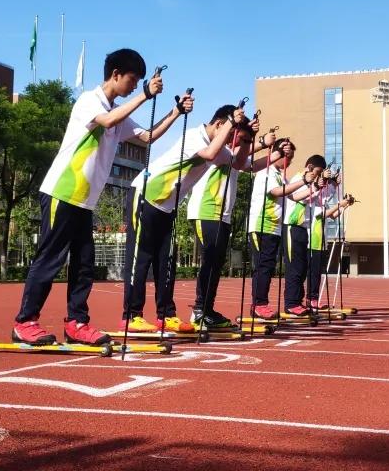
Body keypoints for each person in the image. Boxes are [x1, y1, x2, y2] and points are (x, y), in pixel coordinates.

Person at [12, 49, 185, 346]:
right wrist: (144, 95)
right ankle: (25, 322)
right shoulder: (90, 100)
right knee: (50, 260)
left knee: (84, 265)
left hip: (84, 202)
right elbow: (106, 121)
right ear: (115, 74)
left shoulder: (119, 113)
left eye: (138, 82)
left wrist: (175, 112)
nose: (133, 85)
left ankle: (77, 322)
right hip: (61, 193)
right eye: (132, 80)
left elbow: (148, 137)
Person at [121, 103, 247, 333]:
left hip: (168, 206)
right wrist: (231, 122)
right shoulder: (194, 137)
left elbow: (238, 163)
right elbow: (209, 154)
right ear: (219, 124)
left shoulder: (218, 146)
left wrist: (249, 138)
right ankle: (132, 315)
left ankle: (166, 314)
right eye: (228, 134)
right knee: (140, 258)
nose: (230, 142)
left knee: (166, 260)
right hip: (146, 194)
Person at [186, 117, 277, 328]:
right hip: (205, 211)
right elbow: (236, 157)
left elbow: (250, 166)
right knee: (210, 261)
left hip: (223, 215)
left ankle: (207, 309)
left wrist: (275, 152)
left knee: (216, 263)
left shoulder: (233, 154)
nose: (240, 141)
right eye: (240, 137)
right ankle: (200, 310)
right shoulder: (216, 148)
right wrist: (260, 141)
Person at [246, 138, 307, 319]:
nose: (289, 161)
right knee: (263, 266)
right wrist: (303, 180)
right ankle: (259, 303)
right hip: (261, 225)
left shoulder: (280, 175)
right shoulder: (266, 171)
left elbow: (293, 197)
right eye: (287, 156)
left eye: (291, 157)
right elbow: (277, 192)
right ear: (278, 153)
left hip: (274, 227)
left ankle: (263, 303)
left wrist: (311, 186)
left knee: (269, 266)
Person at [281, 155, 329, 316]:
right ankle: (291, 303)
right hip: (292, 225)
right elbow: (295, 197)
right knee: (294, 267)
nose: (317, 175)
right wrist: (313, 188)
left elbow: (315, 200)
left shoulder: (312, 183)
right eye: (317, 171)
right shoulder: (298, 179)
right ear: (309, 167)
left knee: (302, 268)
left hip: (303, 227)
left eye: (320, 172)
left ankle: (297, 301)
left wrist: (320, 186)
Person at [306, 188, 355, 310]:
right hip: (313, 240)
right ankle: (311, 298)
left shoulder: (324, 202)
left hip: (321, 241)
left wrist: (345, 206)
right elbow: (323, 214)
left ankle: (314, 298)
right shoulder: (315, 200)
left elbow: (332, 215)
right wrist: (339, 204)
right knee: (313, 271)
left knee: (318, 272)